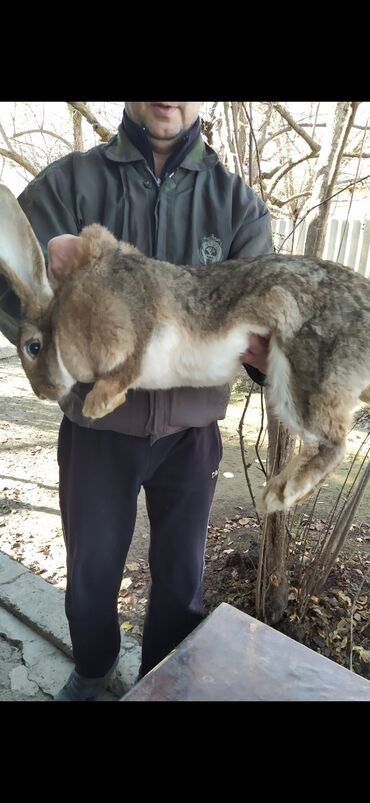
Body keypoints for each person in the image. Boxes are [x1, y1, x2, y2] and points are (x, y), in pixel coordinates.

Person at [17, 102, 273, 700]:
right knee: (91, 572)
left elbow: (269, 317)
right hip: (97, 432)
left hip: (192, 435)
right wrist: (48, 317)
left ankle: (164, 681)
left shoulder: (237, 204)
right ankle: (93, 667)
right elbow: (12, 290)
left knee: (181, 579)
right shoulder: (71, 184)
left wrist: (273, 358)